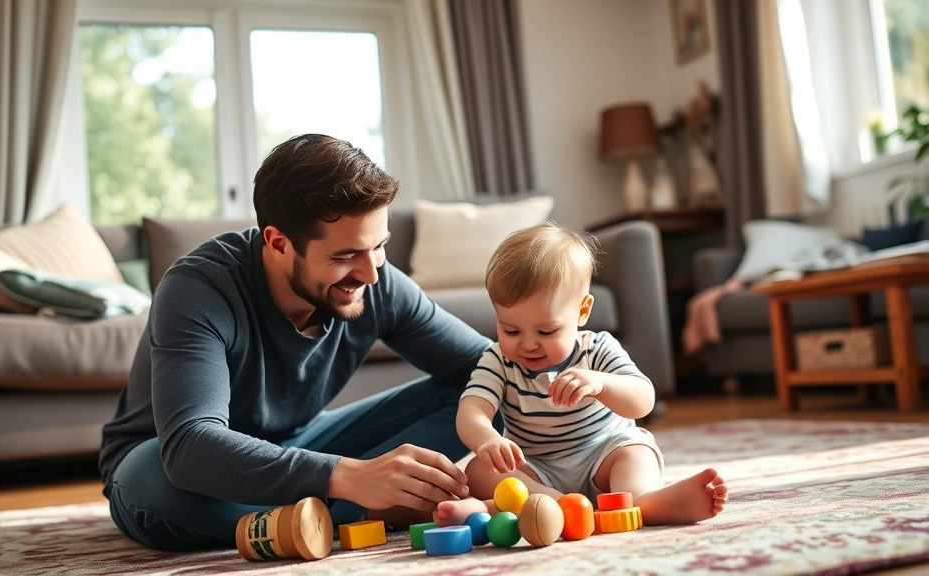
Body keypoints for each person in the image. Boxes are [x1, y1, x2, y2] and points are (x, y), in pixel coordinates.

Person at [99, 134, 501, 551]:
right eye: (345, 256)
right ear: (278, 243)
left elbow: (490, 366)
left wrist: (569, 368)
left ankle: (309, 519)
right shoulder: (198, 289)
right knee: (156, 479)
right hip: (178, 466)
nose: (371, 275)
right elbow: (190, 448)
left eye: (379, 247)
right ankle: (358, 510)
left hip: (302, 444)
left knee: (489, 391)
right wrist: (350, 477)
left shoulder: (375, 284)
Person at [434, 223, 728, 527]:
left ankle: (644, 501)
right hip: (538, 469)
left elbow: (643, 401)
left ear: (582, 311)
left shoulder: (597, 348)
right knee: (480, 470)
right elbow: (471, 410)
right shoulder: (498, 360)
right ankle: (548, 505)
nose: (529, 343)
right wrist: (486, 440)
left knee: (635, 450)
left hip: (604, 456)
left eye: (547, 331)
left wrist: (601, 383)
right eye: (511, 330)